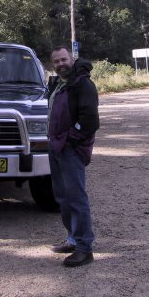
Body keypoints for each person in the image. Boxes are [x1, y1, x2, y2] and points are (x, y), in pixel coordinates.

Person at [47, 46, 99, 267]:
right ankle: (72, 238)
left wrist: (70, 138)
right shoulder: (59, 84)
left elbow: (90, 121)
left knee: (76, 198)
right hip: (56, 147)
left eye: (64, 59)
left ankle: (84, 249)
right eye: (57, 61)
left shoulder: (83, 84)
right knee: (63, 197)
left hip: (70, 149)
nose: (61, 64)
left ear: (72, 58)